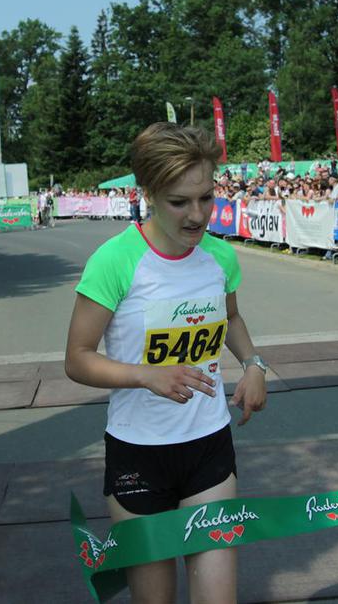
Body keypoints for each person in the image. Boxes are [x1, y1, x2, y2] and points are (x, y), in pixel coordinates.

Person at [65, 122, 267, 603]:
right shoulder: (115, 260)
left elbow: (231, 318)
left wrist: (253, 363)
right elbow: (77, 359)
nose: (197, 215)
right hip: (139, 454)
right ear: (149, 194)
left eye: (206, 197)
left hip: (209, 448)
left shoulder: (220, 257)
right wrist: (144, 375)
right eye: (180, 202)